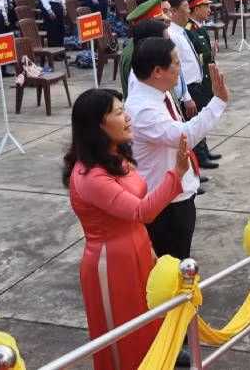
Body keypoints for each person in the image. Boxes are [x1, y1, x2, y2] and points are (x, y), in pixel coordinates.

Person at [64, 88, 189, 370]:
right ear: (98, 125)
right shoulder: (91, 176)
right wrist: (176, 175)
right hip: (112, 264)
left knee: (147, 320)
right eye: (119, 113)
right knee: (124, 332)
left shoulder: (114, 157)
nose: (128, 118)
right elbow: (140, 211)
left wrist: (149, 249)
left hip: (137, 249)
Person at [124, 37, 229, 263]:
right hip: (165, 203)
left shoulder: (157, 93)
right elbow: (184, 137)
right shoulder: (143, 108)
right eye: (176, 63)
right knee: (173, 266)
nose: (180, 69)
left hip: (175, 192)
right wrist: (218, 102)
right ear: (157, 71)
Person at [184, 0, 222, 168]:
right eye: (205, 6)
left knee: (203, 112)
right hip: (196, 79)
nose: (209, 10)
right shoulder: (189, 29)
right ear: (195, 8)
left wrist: (210, 54)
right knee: (197, 117)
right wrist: (208, 55)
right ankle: (199, 155)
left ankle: (204, 149)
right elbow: (192, 56)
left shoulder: (199, 27)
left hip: (205, 78)